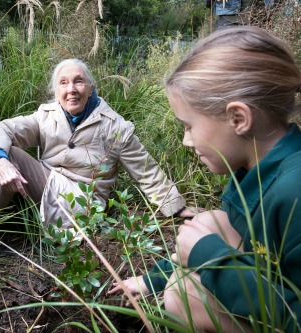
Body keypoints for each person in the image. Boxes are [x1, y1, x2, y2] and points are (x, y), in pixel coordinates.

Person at [108, 26, 301, 332]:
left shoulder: (295, 191)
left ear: (238, 118)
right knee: (214, 223)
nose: (186, 140)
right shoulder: (251, 171)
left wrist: (210, 258)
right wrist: (150, 279)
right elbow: (231, 236)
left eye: (188, 126)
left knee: (182, 294)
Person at [0, 58, 195, 235]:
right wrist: (0, 162)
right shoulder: (46, 116)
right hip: (47, 188)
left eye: (78, 81)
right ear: (56, 91)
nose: (71, 89)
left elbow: (146, 171)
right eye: (64, 83)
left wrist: (175, 207)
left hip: (82, 204)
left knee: (9, 154)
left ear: (90, 88)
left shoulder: (115, 127)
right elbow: (1, 130)